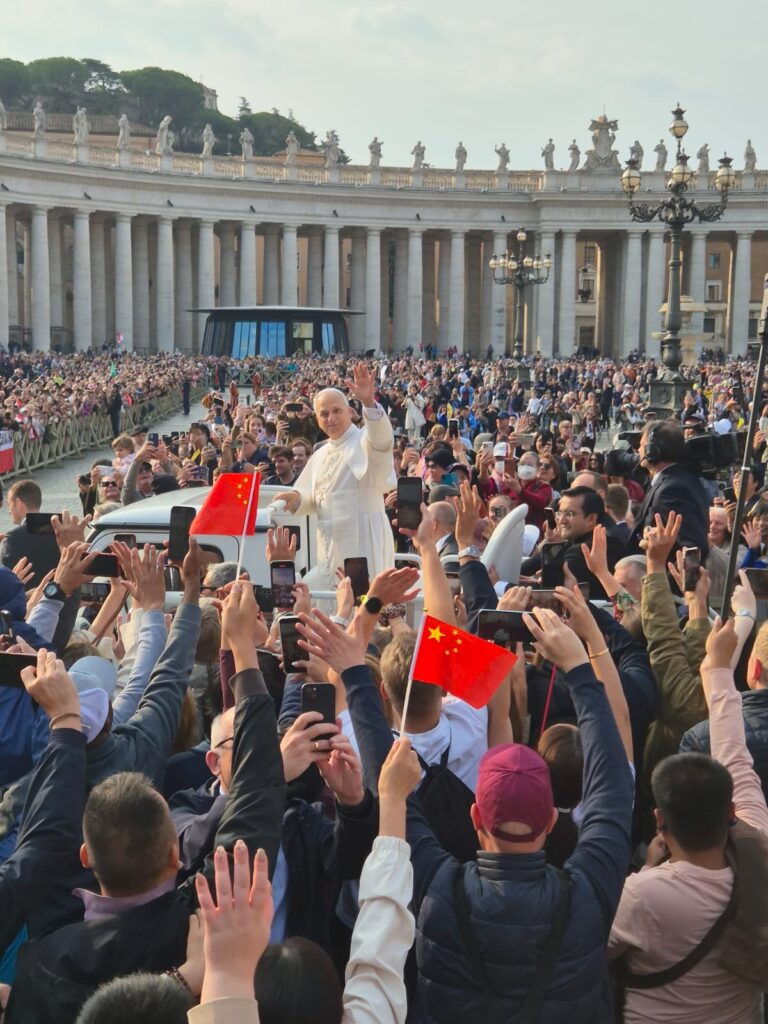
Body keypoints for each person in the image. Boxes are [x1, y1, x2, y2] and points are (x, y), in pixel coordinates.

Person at [274, 366, 396, 589]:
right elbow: (315, 497)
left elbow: (382, 441)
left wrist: (369, 403)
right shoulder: (320, 453)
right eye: (324, 414)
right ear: (317, 419)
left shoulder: (364, 441)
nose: (330, 418)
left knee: (362, 602)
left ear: (349, 412)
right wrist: (296, 498)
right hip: (329, 548)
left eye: (336, 411)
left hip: (363, 544)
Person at [627, 420, 709, 558]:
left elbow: (691, 548)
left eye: (641, 446)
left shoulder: (670, 491)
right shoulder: (679, 480)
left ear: (652, 451)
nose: (638, 450)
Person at [0, 480, 60, 587]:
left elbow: (6, 582)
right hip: (60, 591)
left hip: (28, 595)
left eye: (9, 504)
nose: (9, 510)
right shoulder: (58, 528)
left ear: (18, 503)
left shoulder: (13, 539)